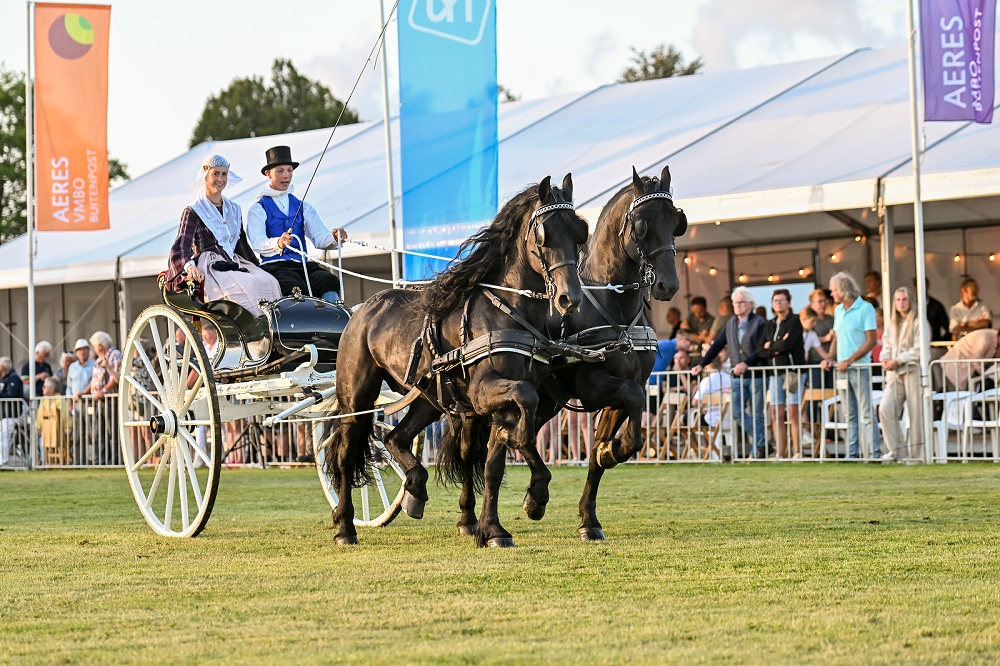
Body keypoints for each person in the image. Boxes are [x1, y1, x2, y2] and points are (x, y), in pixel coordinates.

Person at [165, 154, 282, 318]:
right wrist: (190, 267)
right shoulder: (193, 210)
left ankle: (272, 326)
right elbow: (182, 245)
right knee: (248, 284)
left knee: (269, 281)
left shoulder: (234, 209)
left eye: (224, 174)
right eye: (216, 174)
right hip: (211, 265)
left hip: (234, 262)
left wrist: (257, 267)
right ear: (206, 176)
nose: (220, 179)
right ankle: (253, 325)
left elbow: (242, 246)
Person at [246, 145, 349, 301]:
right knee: (296, 287)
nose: (286, 175)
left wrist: (334, 238)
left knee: (329, 280)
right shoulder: (258, 209)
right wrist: (278, 243)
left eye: (289, 170)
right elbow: (257, 242)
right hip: (274, 266)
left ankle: (333, 313)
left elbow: (319, 237)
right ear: (268, 173)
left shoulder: (304, 207)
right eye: (280, 171)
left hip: (302, 266)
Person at [691, 286, 768, 459]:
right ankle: (763, 443)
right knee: (737, 412)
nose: (738, 305)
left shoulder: (759, 323)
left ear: (750, 304)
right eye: (735, 303)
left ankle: (758, 451)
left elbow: (762, 349)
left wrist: (746, 363)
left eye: (741, 302)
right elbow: (718, 345)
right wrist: (702, 364)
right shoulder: (731, 323)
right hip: (737, 375)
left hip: (756, 373)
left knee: (757, 413)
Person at [820, 271, 882, 459]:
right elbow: (837, 338)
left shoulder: (865, 308)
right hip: (842, 369)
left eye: (834, 290)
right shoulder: (838, 310)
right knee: (849, 414)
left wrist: (850, 360)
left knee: (866, 412)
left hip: (860, 368)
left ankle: (875, 453)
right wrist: (830, 357)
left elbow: (871, 340)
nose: (831, 294)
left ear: (843, 290)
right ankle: (851, 453)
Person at [758, 289, 805, 459]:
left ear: (789, 303)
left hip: (792, 372)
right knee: (776, 413)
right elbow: (760, 350)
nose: (778, 303)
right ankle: (781, 453)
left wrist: (770, 346)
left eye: (781, 300)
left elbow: (787, 345)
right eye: (775, 300)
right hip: (774, 373)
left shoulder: (794, 321)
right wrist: (776, 347)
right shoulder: (769, 324)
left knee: (793, 412)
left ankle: (797, 452)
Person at [879, 287, 923, 462]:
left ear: (910, 301)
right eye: (897, 300)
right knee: (885, 409)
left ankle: (918, 455)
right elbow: (886, 345)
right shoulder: (892, 325)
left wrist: (899, 359)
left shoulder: (919, 323)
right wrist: (885, 358)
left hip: (912, 371)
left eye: (904, 299)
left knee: (916, 414)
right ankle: (897, 450)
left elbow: (919, 350)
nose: (901, 303)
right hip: (895, 374)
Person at [89, 331, 122, 465]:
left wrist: (103, 391)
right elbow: (94, 380)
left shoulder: (115, 355)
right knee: (99, 432)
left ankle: (115, 460)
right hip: (99, 401)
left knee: (112, 431)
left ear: (100, 346)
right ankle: (101, 460)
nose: (94, 349)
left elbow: (116, 378)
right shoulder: (98, 360)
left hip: (110, 400)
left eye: (94, 346)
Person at [65, 338, 95, 463]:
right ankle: (78, 461)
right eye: (79, 350)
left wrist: (84, 393)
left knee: (92, 432)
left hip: (91, 403)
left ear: (88, 350)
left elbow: (94, 382)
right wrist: (70, 403)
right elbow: (69, 387)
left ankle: (95, 459)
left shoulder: (94, 364)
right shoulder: (72, 367)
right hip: (76, 405)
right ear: (76, 353)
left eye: (84, 349)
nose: (82, 352)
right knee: (77, 433)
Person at [36, 376, 70, 466]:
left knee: (43, 438)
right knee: (35, 436)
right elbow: (39, 416)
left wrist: (47, 429)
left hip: (62, 430)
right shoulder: (44, 400)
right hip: (47, 430)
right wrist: (38, 428)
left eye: (44, 387)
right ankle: (38, 462)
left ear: (51, 389)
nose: (42, 388)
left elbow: (63, 418)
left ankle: (45, 463)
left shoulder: (60, 400)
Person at [0, 357, 26, 466]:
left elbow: (11, 394)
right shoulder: (3, 378)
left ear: (2, 367)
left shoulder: (14, 378)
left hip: (13, 414)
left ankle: (3, 461)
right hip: (4, 414)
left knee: (5, 435)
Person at [915, 278, 950, 343]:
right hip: (917, 343)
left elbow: (947, 327)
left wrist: (940, 342)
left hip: (934, 343)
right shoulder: (912, 306)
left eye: (924, 285)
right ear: (915, 287)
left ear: (927, 286)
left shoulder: (937, 306)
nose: (921, 288)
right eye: (918, 286)